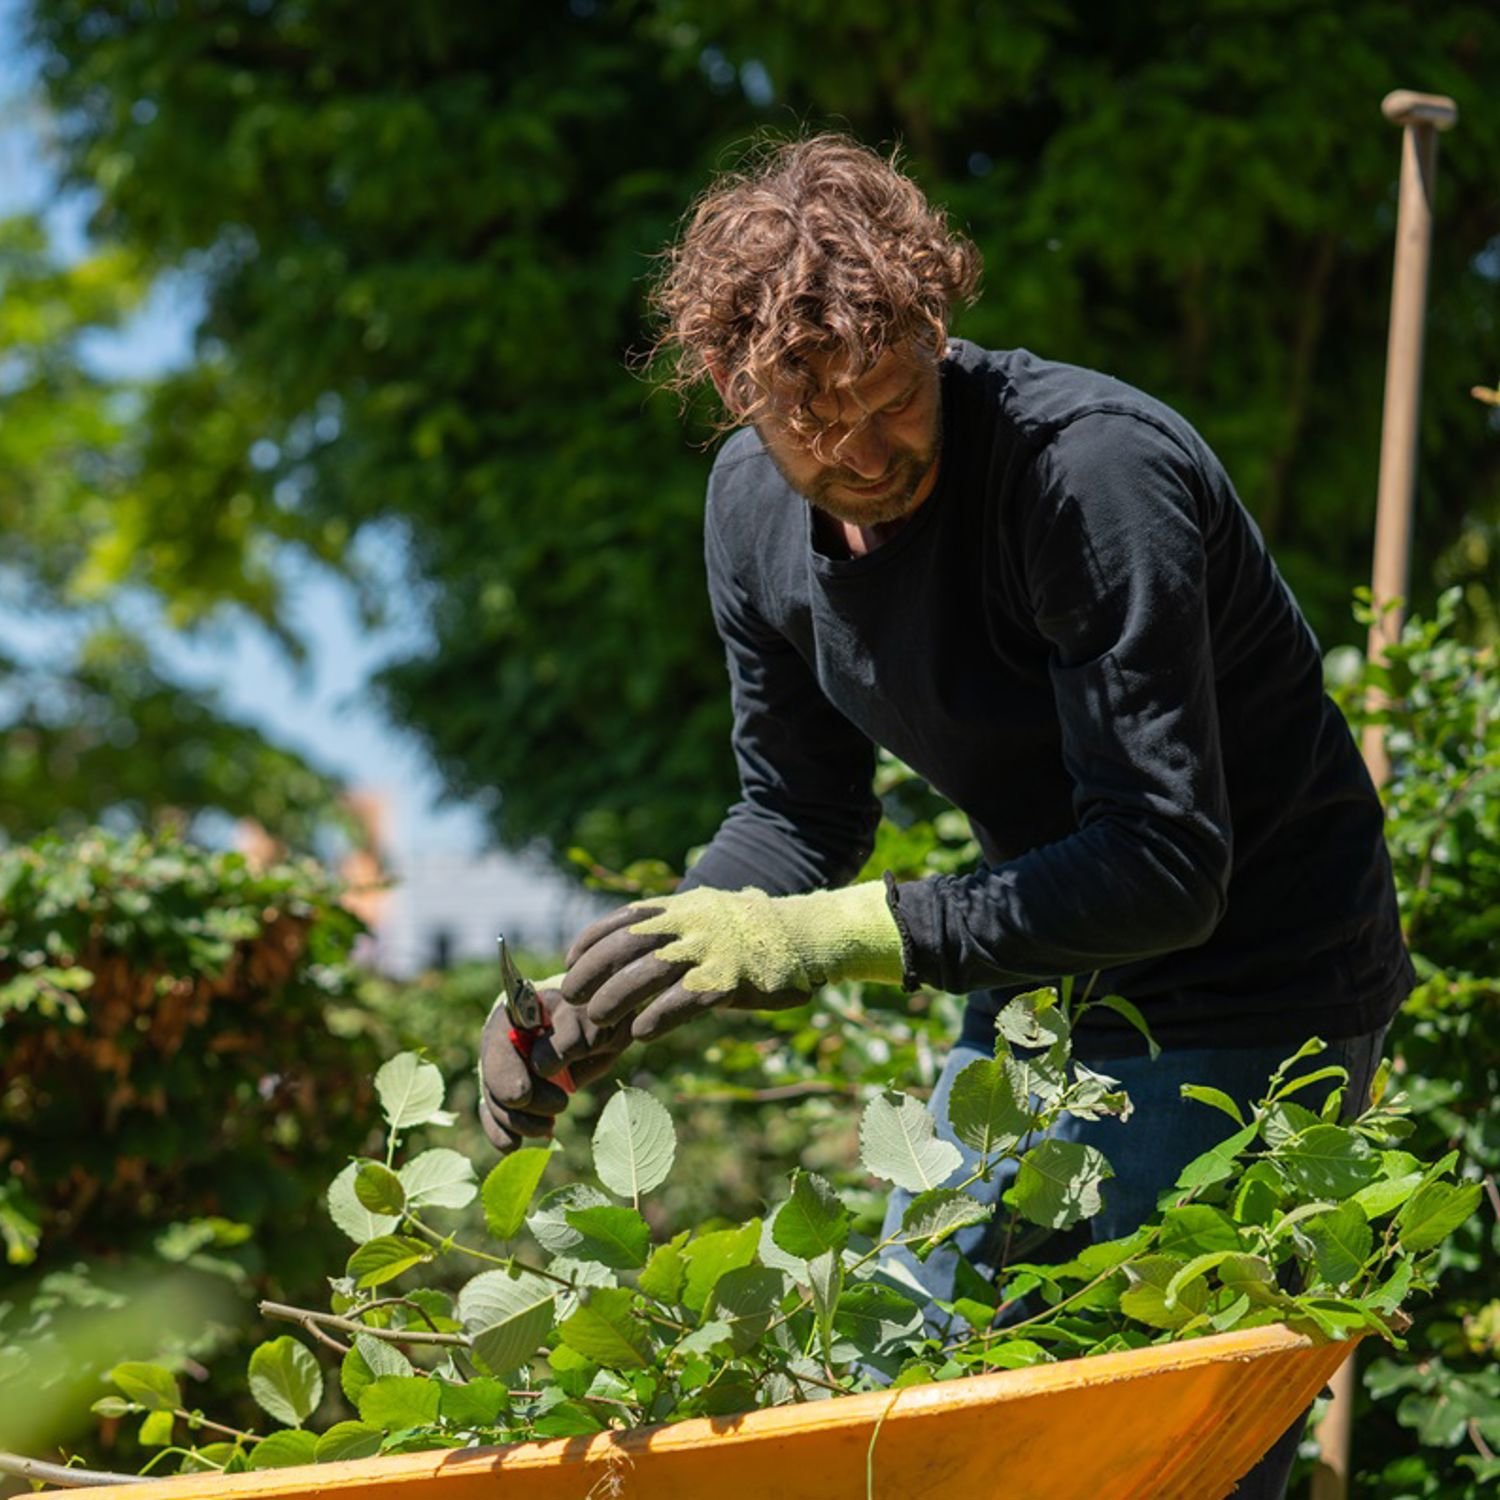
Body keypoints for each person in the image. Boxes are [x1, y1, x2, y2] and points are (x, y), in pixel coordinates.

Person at [477, 133, 1413, 1497]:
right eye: (813, 422)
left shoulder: (1088, 476)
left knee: (1135, 1449)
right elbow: (794, 816)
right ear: (738, 395)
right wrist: (615, 978)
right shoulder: (748, 514)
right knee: (909, 1399)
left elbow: (1165, 861)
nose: (864, 451)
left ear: (937, 324)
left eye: (891, 395)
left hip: (1265, 994)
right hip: (1041, 981)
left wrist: (814, 940)